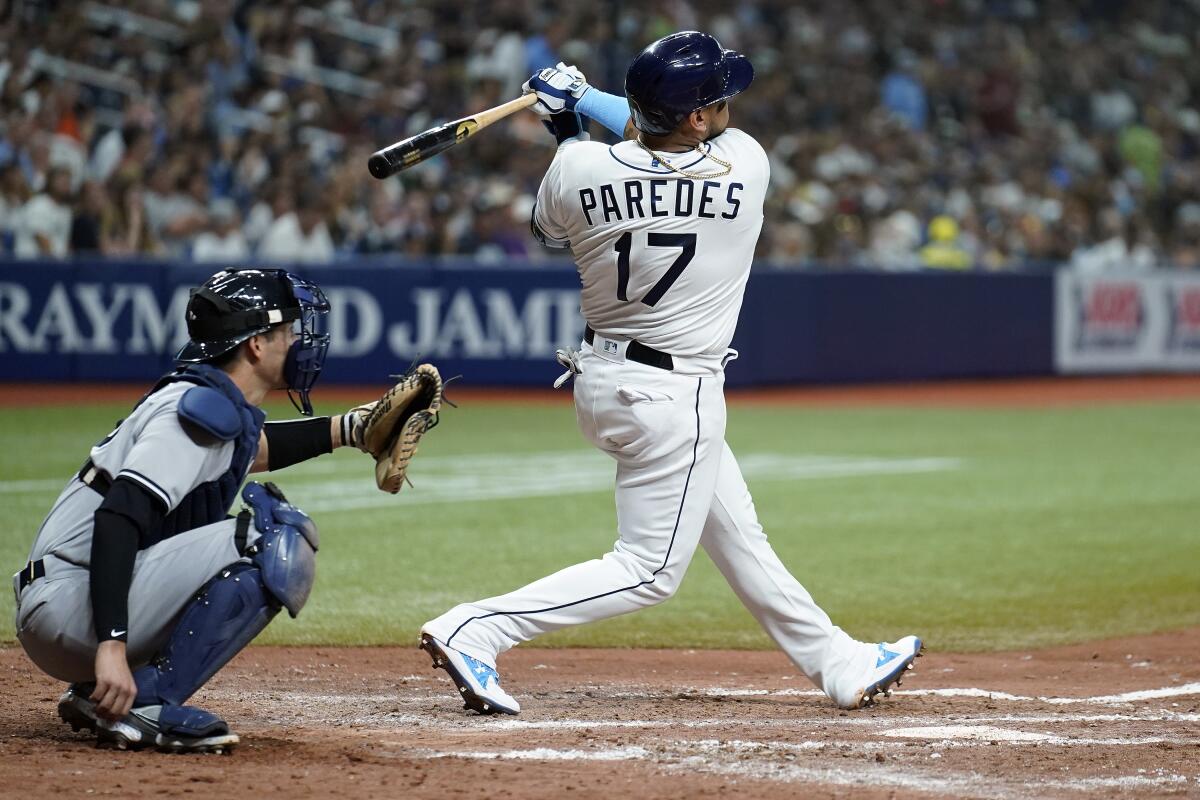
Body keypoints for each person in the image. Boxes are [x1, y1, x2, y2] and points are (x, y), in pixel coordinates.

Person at [419, 33, 923, 716]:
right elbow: (646, 131)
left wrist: (564, 123)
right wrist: (578, 104)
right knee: (649, 571)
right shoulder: (746, 165)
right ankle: (477, 628)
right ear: (695, 119)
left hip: (602, 380)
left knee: (739, 533)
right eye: (717, 100)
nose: (725, 107)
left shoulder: (577, 170)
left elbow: (553, 221)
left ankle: (838, 661)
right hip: (673, 394)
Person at [12, 268, 377, 752]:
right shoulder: (194, 410)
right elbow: (119, 517)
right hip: (70, 607)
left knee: (248, 535)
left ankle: (103, 695)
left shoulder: (207, 406)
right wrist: (112, 646)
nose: (297, 341)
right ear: (256, 345)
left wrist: (351, 429)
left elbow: (254, 448)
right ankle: (148, 701)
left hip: (67, 601)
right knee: (272, 537)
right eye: (287, 331)